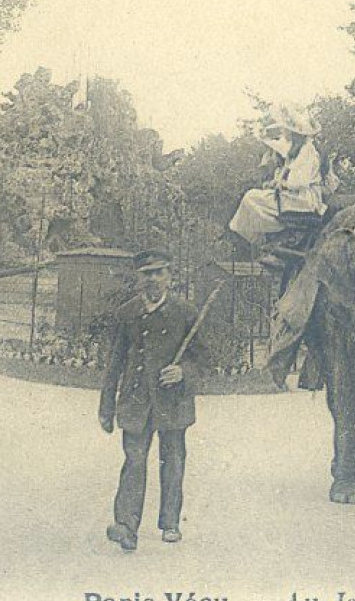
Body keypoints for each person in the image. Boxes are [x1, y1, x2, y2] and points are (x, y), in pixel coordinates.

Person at [98, 250, 210, 551]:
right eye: (147, 273)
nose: (153, 279)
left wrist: (182, 371)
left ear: (169, 276)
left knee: (172, 460)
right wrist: (106, 407)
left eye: (159, 272)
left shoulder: (185, 312)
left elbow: (203, 359)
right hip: (136, 399)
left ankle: (170, 522)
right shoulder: (127, 313)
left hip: (172, 399)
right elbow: (115, 363)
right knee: (134, 460)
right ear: (138, 278)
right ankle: (126, 525)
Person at [228, 105, 333, 264]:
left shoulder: (308, 152)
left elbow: (299, 182)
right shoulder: (297, 150)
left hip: (305, 199)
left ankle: (267, 239)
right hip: (295, 195)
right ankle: (267, 240)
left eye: (285, 129)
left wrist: (281, 184)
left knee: (251, 198)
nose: (283, 132)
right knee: (252, 197)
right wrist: (276, 183)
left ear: (293, 133)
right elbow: (283, 156)